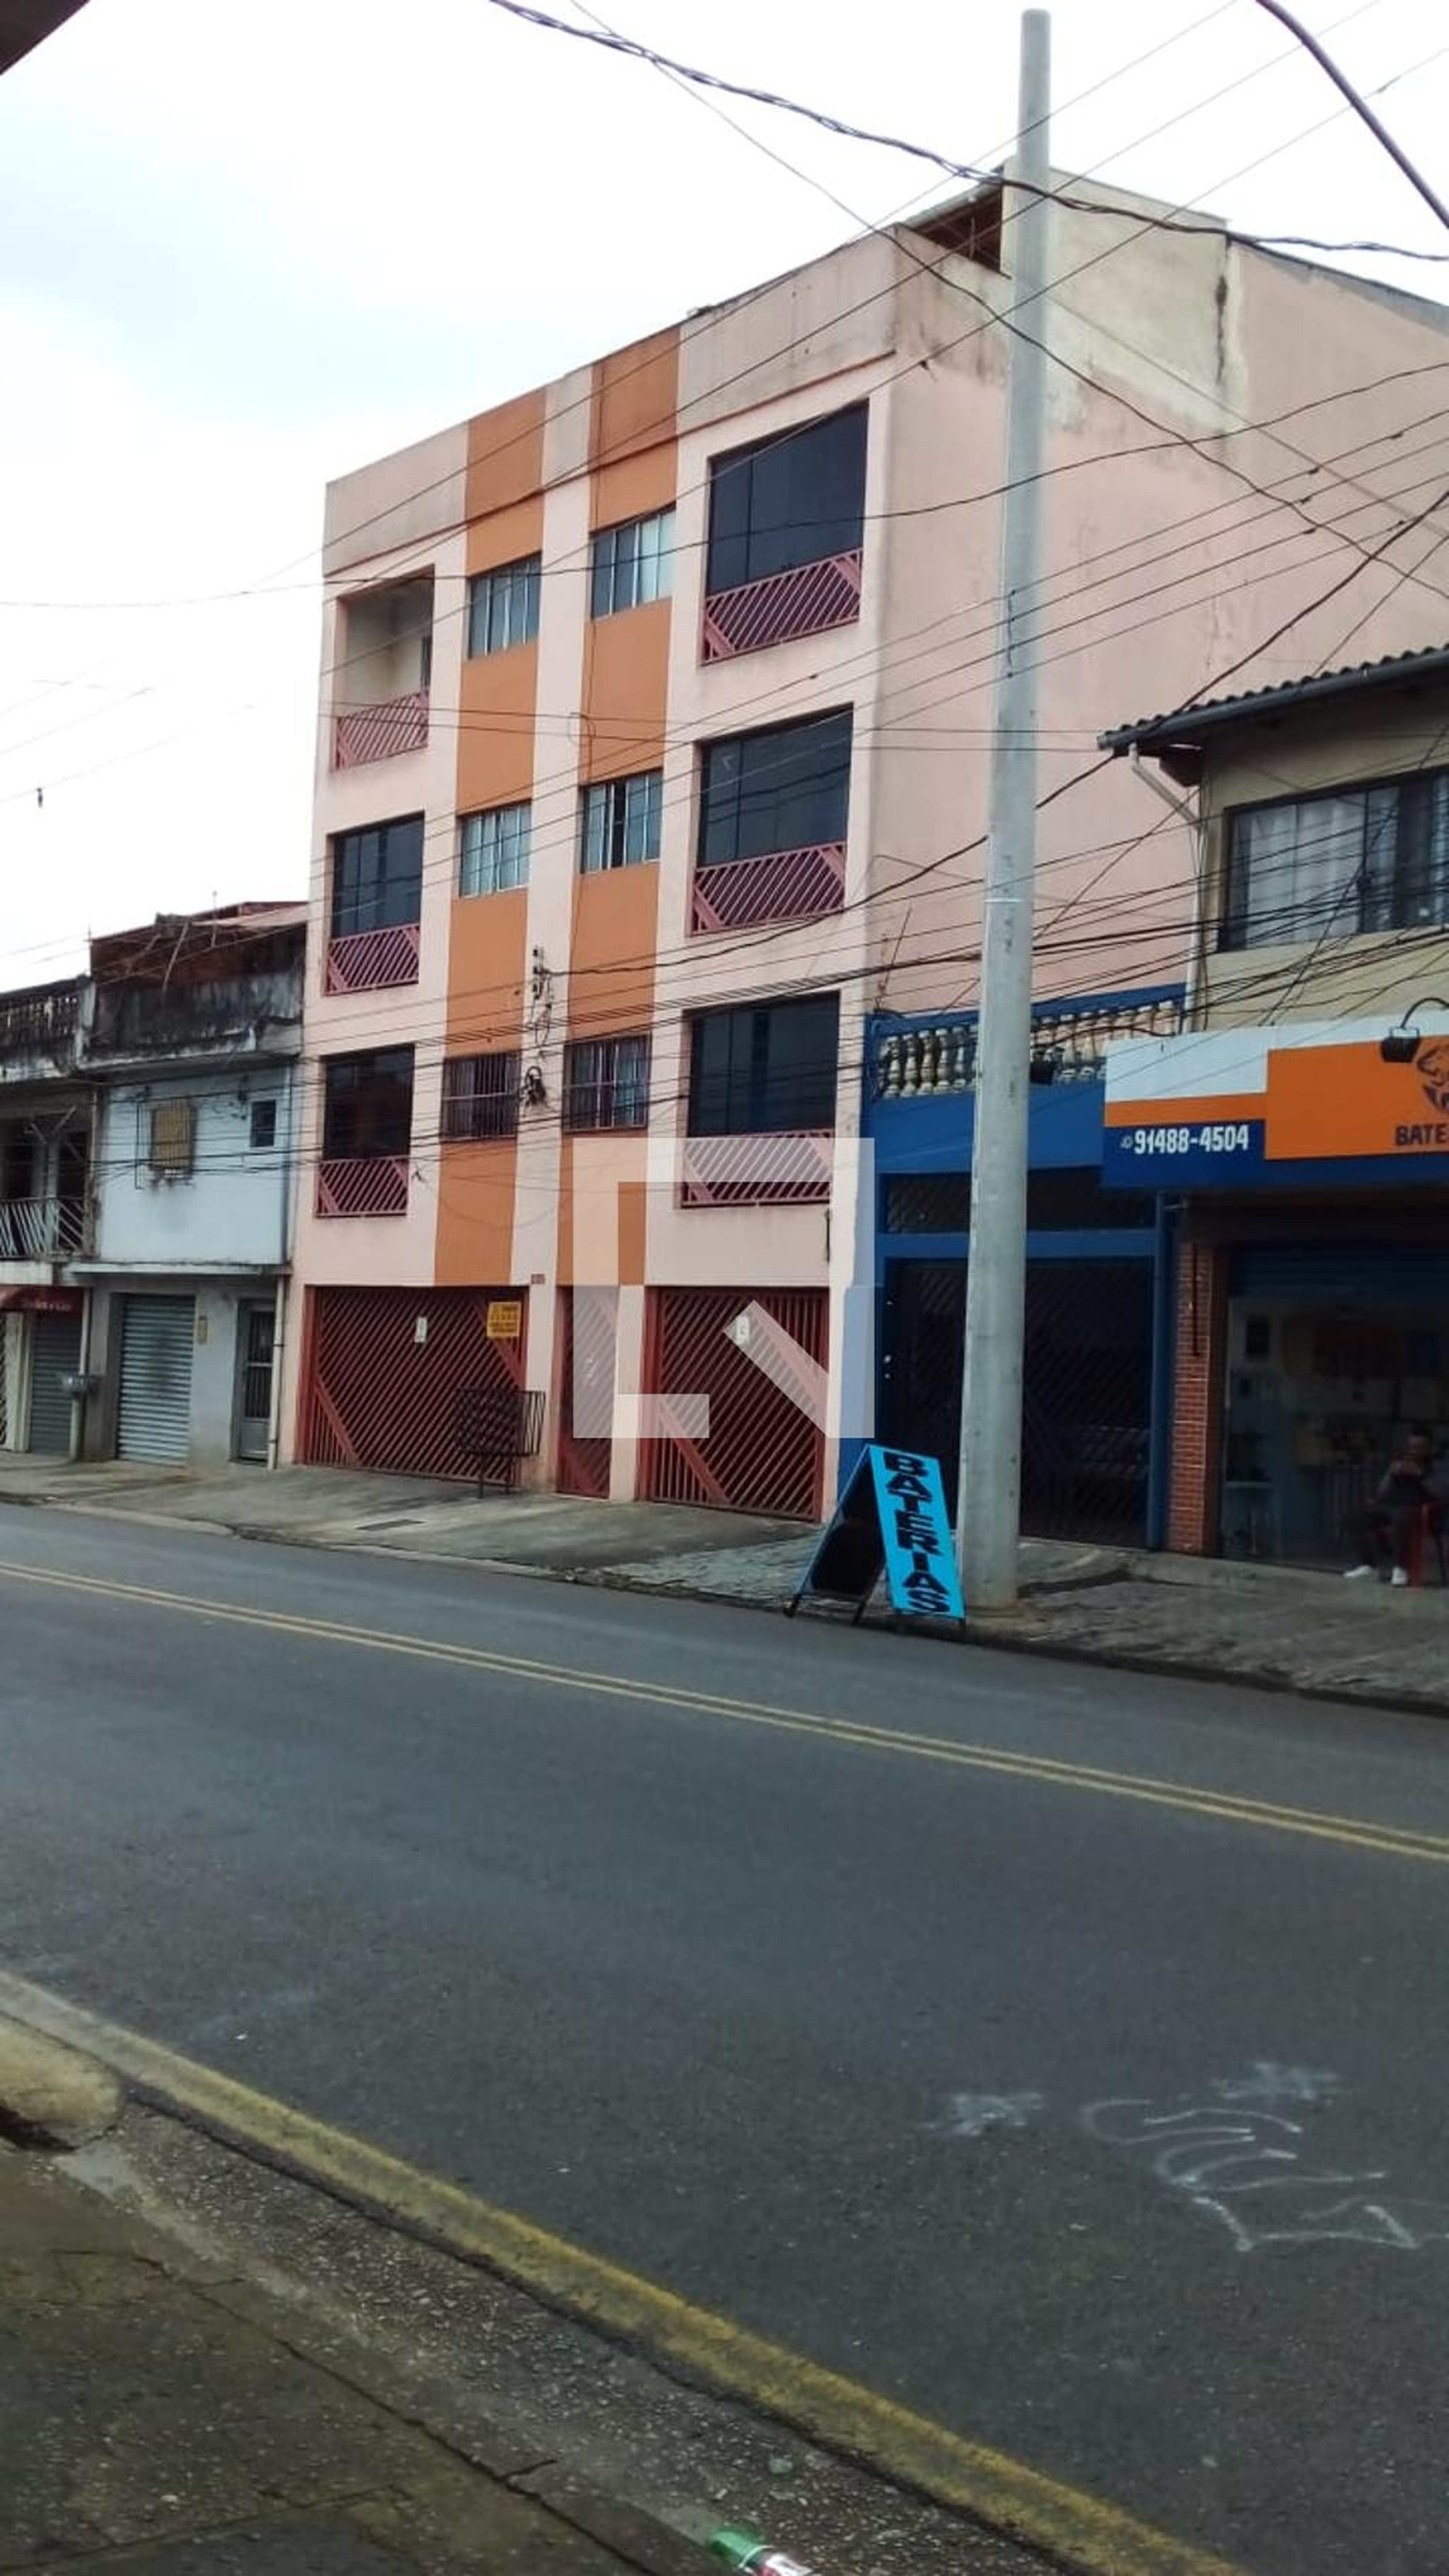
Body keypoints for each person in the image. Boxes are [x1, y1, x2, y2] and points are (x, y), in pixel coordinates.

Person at [1344, 1430, 1444, 1586]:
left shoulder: (1437, 1466)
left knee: (1401, 1519)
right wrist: (1390, 1474)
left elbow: (1443, 1493)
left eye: (1419, 1447)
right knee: (1356, 1517)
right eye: (1412, 1447)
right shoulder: (1401, 1461)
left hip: (1418, 1509)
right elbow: (1382, 1491)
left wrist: (1421, 1475)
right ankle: (1367, 1565)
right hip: (1390, 1506)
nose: (1414, 1451)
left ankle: (1401, 1568)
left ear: (1429, 1449)